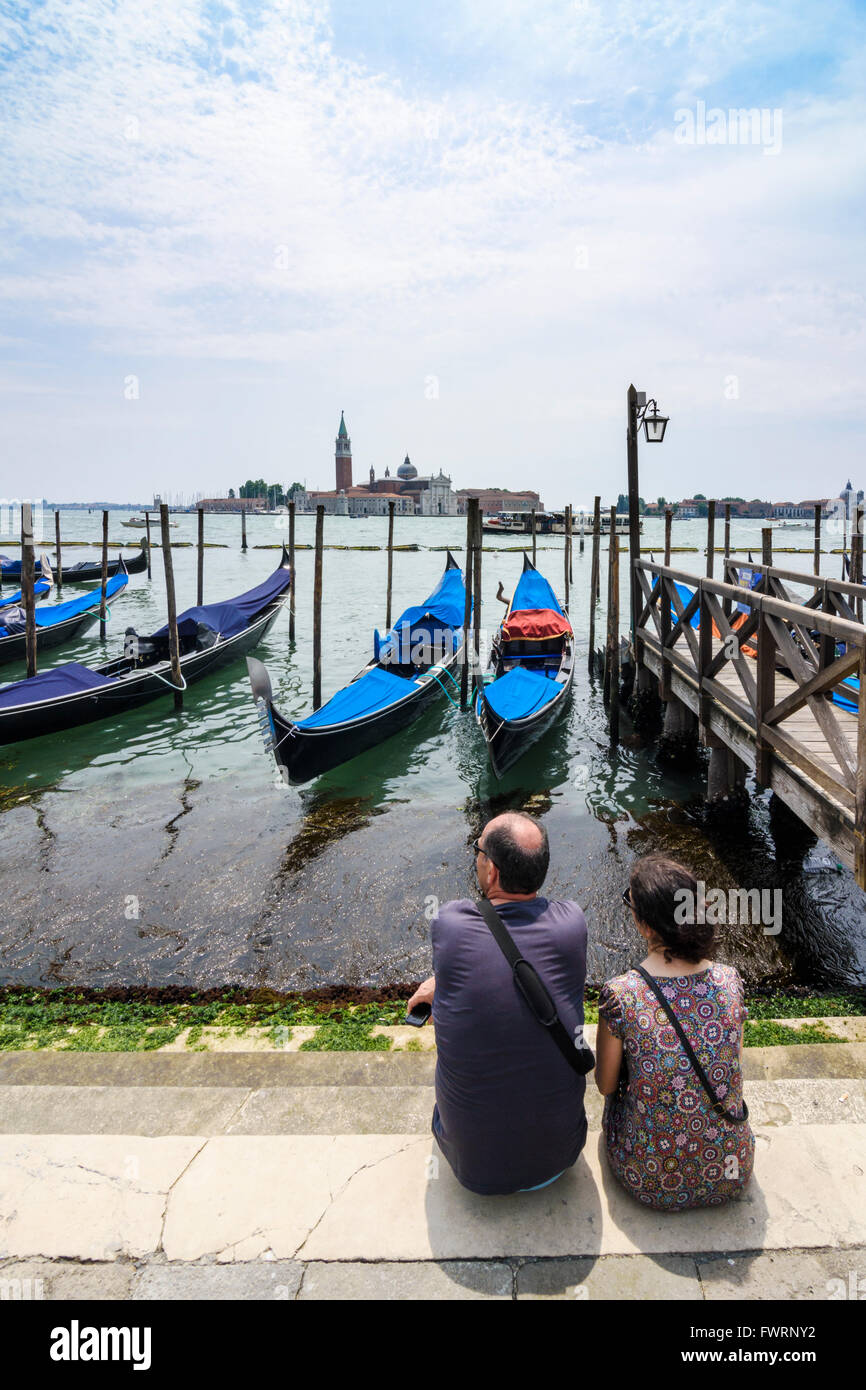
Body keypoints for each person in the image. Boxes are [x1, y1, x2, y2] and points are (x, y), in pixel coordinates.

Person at [407, 812, 588, 1195]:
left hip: (474, 1171)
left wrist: (440, 983)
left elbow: (474, 962)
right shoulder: (572, 923)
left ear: (491, 873)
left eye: (478, 851)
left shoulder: (450, 922)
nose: (476, 857)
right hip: (561, 1158)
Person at [595, 854, 755, 1211]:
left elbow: (605, 1085)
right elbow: (732, 1063)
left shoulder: (621, 995)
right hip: (730, 1169)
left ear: (647, 926)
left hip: (651, 1180)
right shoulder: (730, 981)